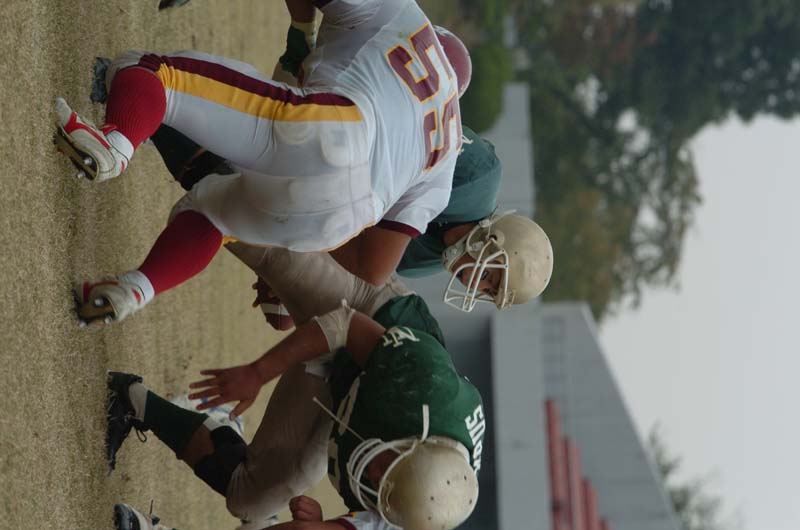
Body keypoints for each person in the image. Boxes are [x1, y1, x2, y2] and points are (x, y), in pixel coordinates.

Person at [54, 0, 470, 325]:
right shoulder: (449, 152)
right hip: (345, 219)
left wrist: (302, 29)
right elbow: (373, 269)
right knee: (211, 214)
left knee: (149, 72)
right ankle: (134, 290)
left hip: (336, 130)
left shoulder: (397, 14)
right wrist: (320, 211)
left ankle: (115, 145)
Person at [106, 295, 484, 530]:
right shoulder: (422, 394)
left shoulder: (418, 509)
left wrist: (327, 523)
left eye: (383, 484)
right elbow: (346, 323)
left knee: (249, 499)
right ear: (415, 447)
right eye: (387, 468)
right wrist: (258, 372)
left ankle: (134, 400)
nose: (372, 474)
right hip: (365, 335)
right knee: (276, 247)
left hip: (365, 404)